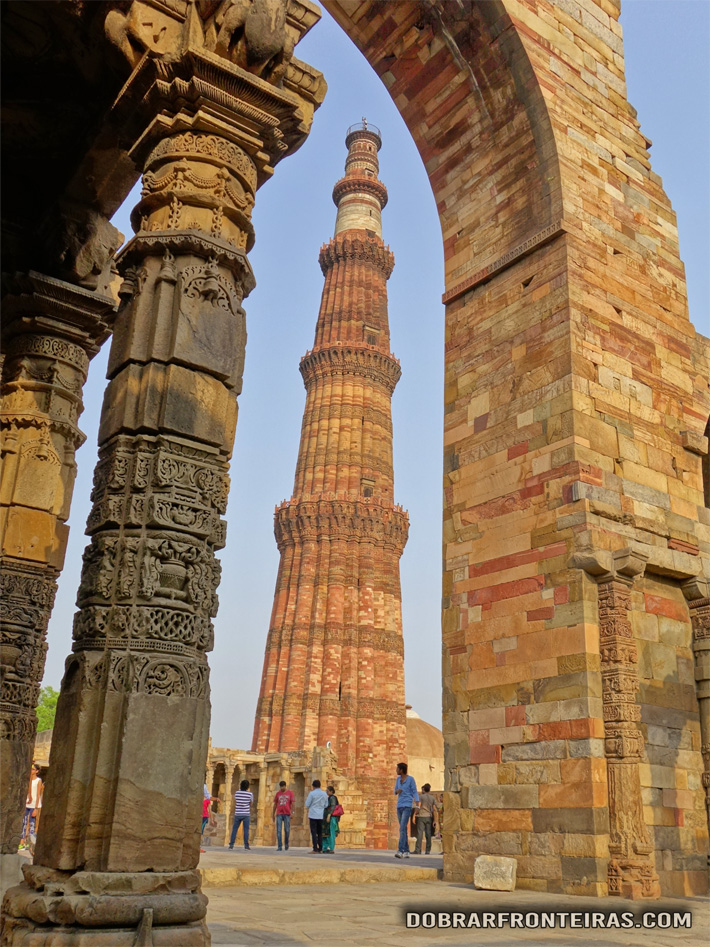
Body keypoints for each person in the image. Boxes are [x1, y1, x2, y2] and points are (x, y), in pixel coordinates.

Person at [393, 761, 418, 858]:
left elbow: (414, 791)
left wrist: (417, 804)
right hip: (399, 805)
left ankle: (400, 850)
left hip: (407, 805)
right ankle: (407, 850)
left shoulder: (411, 779)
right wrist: (397, 791)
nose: (396, 770)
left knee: (402, 828)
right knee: (403, 829)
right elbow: (394, 791)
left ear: (401, 770)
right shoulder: (398, 780)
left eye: (397, 769)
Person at [20, 763, 43, 850]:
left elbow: (38, 794)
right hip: (27, 803)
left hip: (34, 804)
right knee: (24, 822)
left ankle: (30, 844)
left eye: (33, 769)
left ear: (37, 771)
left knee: (32, 824)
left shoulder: (38, 780)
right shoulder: (28, 779)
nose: (31, 771)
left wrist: (36, 808)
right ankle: (22, 842)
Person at [413, 782, 439, 854]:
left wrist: (414, 815)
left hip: (421, 816)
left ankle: (418, 850)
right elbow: (434, 809)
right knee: (428, 834)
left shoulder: (421, 797)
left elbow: (418, 806)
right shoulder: (432, 798)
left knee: (420, 833)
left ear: (424, 789)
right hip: (429, 817)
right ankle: (428, 850)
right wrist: (435, 820)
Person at [228, 779, 253, 850]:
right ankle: (246, 845)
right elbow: (251, 804)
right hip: (246, 814)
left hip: (238, 813)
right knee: (246, 830)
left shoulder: (237, 793)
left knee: (234, 829)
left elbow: (236, 801)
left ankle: (231, 844)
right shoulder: (250, 794)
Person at [304, 779, 328, 853]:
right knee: (320, 832)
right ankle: (320, 848)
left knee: (314, 832)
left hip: (313, 814)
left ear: (313, 786)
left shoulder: (312, 794)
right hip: (320, 815)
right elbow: (326, 805)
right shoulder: (324, 794)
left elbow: (307, 804)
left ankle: (315, 848)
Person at [272, 780, 294, 852]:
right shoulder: (278, 794)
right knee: (278, 830)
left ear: (285, 786)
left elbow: (292, 804)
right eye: (281, 787)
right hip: (279, 814)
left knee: (287, 830)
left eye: (283, 787)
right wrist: (273, 814)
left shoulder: (290, 793)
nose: (282, 788)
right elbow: (275, 804)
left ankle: (286, 844)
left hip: (287, 814)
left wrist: (292, 812)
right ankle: (279, 846)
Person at [321, 785, 340, 854]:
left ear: (331, 791)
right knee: (326, 833)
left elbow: (333, 806)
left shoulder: (332, 798)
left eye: (328, 791)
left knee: (331, 833)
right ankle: (325, 847)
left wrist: (329, 815)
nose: (326, 792)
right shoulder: (328, 798)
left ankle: (331, 848)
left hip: (331, 818)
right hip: (326, 818)